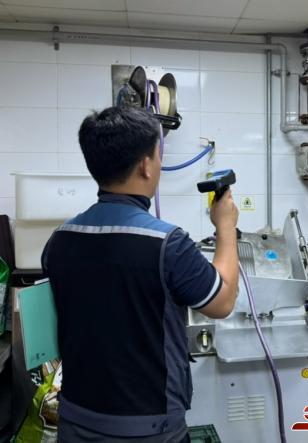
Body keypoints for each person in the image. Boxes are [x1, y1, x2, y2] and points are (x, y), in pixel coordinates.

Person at [42, 106, 239, 443]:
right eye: (158, 156)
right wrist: (226, 226)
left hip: (76, 421)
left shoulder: (59, 240)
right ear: (146, 165)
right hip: (148, 429)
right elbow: (222, 302)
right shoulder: (167, 243)